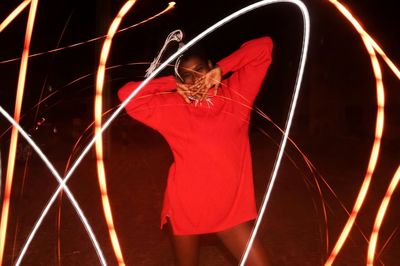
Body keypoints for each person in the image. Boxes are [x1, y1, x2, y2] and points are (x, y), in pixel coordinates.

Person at [118, 36, 273, 266]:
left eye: (200, 69)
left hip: (228, 210)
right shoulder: (173, 107)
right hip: (186, 208)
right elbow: (126, 95)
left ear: (211, 66)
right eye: (187, 75)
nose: (195, 78)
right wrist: (172, 84)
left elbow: (264, 46)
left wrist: (224, 68)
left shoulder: (237, 94)